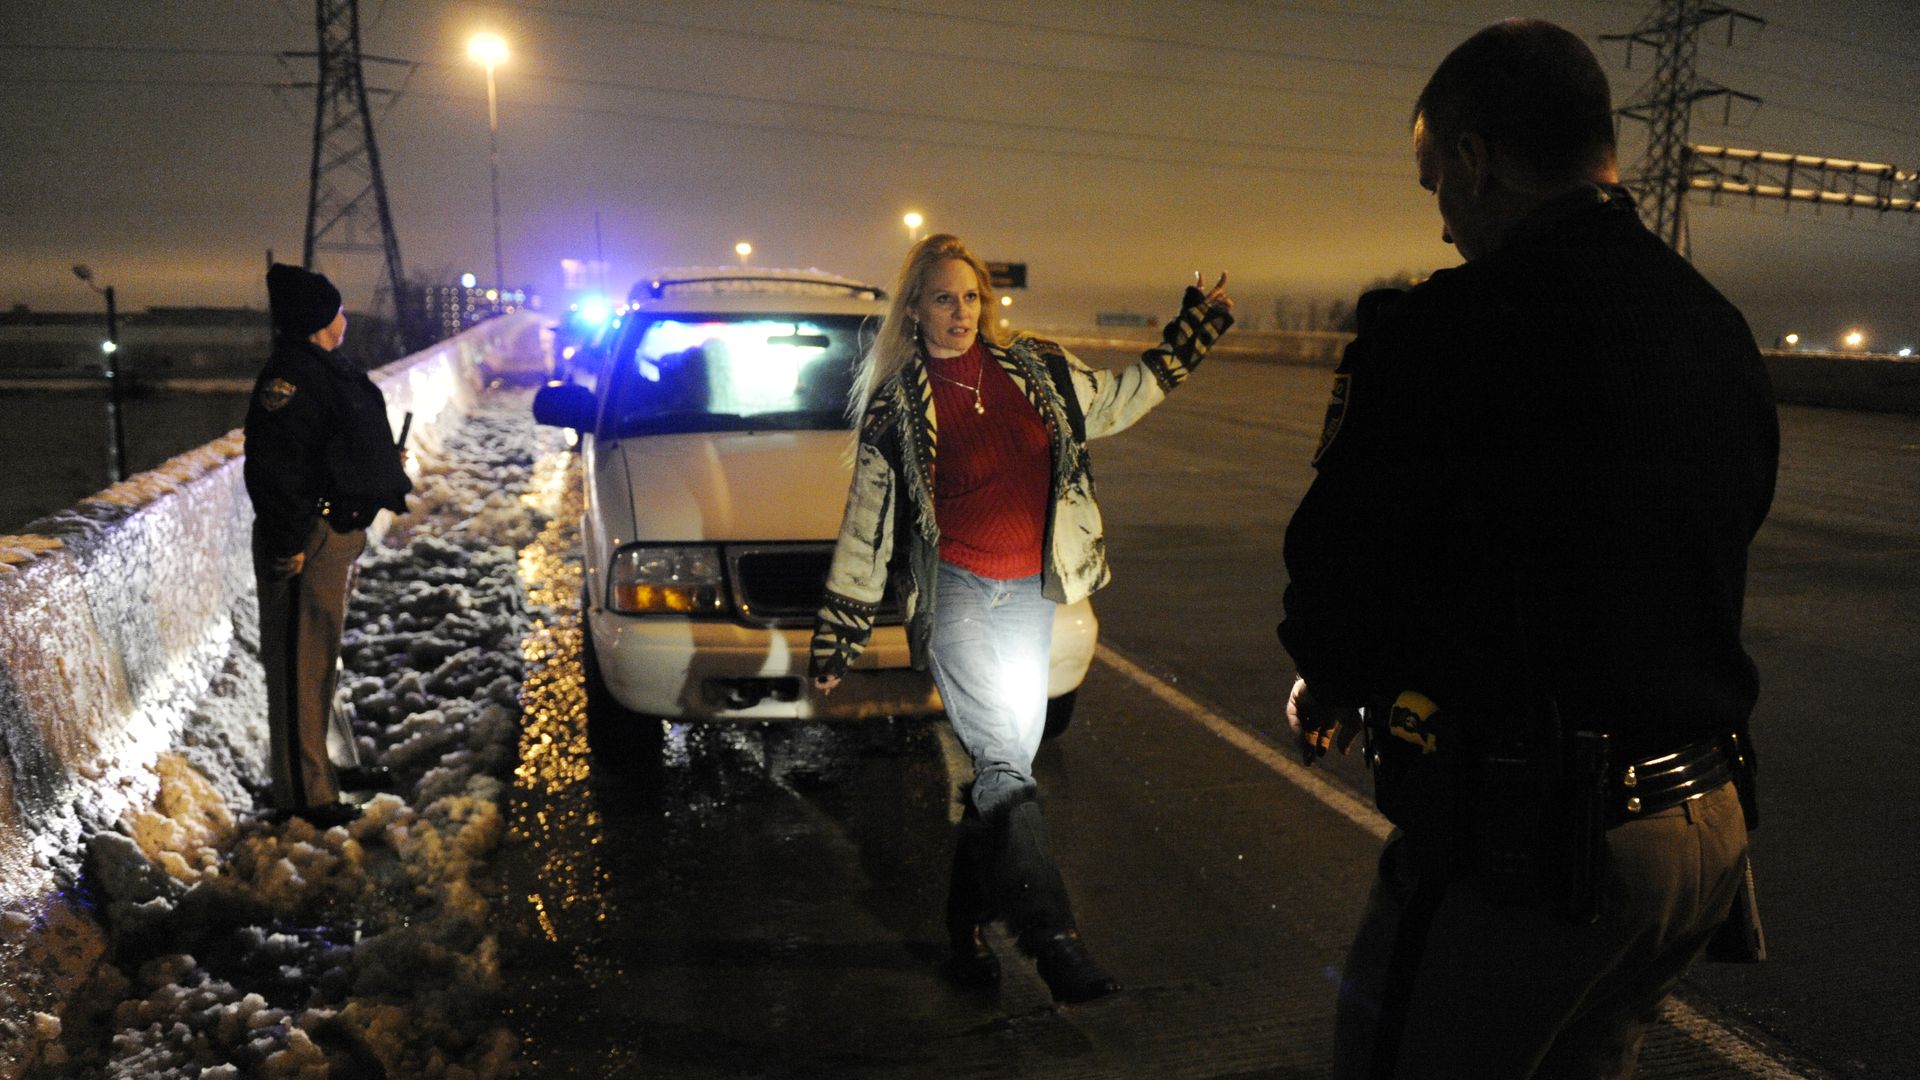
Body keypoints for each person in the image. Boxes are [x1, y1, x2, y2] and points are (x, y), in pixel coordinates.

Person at [1277, 20, 1779, 1079]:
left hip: (1539, 850)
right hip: (1704, 827)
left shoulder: (1455, 326)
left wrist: (1332, 677)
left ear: (1474, 159)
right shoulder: (1715, 326)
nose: (1447, 221)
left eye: (1437, 185)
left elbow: (1345, 566)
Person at [811, 234, 1233, 1003]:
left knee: (1000, 778)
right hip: (963, 600)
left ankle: (963, 928)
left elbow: (1115, 400)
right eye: (943, 298)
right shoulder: (900, 403)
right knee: (1007, 769)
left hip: (1029, 598)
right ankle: (1054, 940)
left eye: (971, 297)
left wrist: (1189, 338)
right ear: (914, 308)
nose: (961, 312)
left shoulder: (1033, 369)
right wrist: (841, 626)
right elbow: (868, 521)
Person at [245, 264, 412, 827]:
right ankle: (304, 798)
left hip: (335, 532)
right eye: (337, 309)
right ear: (320, 319)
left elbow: (338, 445)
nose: (345, 317)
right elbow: (276, 467)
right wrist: (288, 542)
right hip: (307, 538)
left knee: (320, 661)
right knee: (300, 665)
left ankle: (330, 768)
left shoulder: (325, 369)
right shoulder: (290, 379)